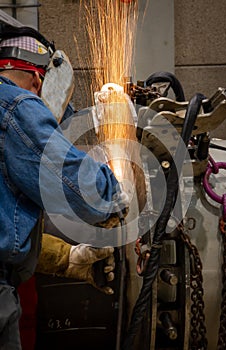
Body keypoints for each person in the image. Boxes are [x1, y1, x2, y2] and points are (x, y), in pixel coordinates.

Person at [0, 25, 127, 349]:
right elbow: (82, 190)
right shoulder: (14, 104)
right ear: (39, 81)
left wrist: (67, 258)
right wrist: (116, 193)